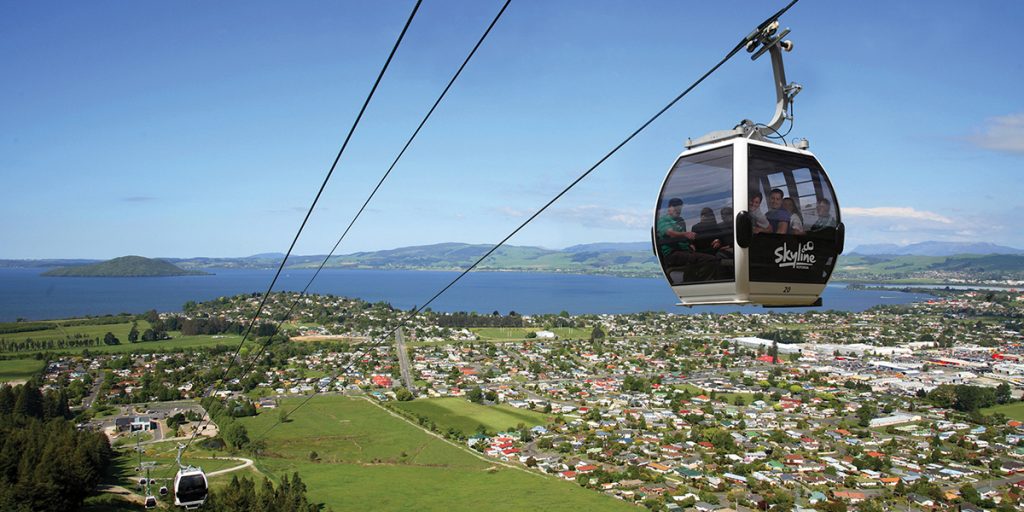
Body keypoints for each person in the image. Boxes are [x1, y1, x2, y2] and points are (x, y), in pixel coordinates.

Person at [656, 198, 718, 282]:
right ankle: (699, 282)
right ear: (669, 208)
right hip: (672, 253)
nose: (678, 211)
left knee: (711, 256)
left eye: (679, 209)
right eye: (675, 209)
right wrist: (685, 234)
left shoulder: (681, 220)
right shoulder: (663, 220)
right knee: (710, 260)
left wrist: (690, 244)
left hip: (685, 251)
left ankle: (691, 279)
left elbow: (684, 238)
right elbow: (670, 233)